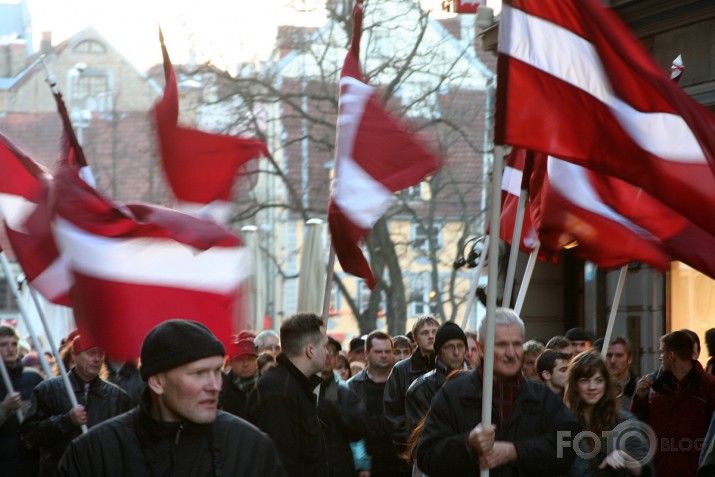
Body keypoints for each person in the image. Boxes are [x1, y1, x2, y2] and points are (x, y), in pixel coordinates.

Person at [57, 319, 283, 476]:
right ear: (157, 382)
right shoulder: (95, 454)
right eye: (198, 374)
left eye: (216, 371)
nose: (215, 385)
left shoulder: (251, 448)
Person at [415, 308, 582, 476]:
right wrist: (466, 444)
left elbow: (571, 445)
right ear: (481, 349)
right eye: (502, 344)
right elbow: (427, 457)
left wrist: (516, 451)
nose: (511, 353)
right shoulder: (453, 395)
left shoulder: (542, 397)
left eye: (517, 344)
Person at [22, 335, 132, 477]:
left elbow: (128, 443)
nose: (97, 359)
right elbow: (30, 435)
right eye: (91, 353)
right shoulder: (48, 391)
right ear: (74, 356)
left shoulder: (118, 398)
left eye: (101, 353)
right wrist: (66, 421)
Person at [247, 312, 329, 477]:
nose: (328, 352)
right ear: (310, 351)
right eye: (324, 345)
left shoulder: (295, 386)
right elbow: (281, 466)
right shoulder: (279, 391)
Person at [633, 330, 715, 477]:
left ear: (671, 356)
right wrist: (640, 399)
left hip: (694, 470)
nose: (660, 358)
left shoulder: (709, 386)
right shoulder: (658, 384)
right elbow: (642, 424)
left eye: (662, 353)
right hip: (661, 470)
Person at [564, 351, 653, 477]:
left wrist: (625, 458)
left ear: (606, 384)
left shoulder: (624, 422)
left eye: (599, 380)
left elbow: (647, 472)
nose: (592, 387)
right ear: (575, 385)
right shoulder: (563, 423)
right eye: (584, 381)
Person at [384, 315, 439, 470]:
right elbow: (392, 412)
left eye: (435, 331)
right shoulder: (400, 370)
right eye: (425, 332)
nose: (431, 336)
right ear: (415, 338)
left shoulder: (448, 367)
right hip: (412, 452)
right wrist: (410, 446)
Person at [347, 330, 399, 477]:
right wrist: (359, 465)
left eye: (387, 351)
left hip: (398, 464)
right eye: (378, 351)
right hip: (366, 466)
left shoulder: (403, 384)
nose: (383, 355)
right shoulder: (352, 387)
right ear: (366, 353)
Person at [405, 322, 468, 435]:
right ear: (438, 351)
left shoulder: (479, 383)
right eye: (449, 347)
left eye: (460, 346)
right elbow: (419, 438)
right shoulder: (420, 390)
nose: (456, 352)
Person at [320, 336, 367, 477]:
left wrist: (338, 412)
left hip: (339, 466)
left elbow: (358, 433)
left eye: (333, 352)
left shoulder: (344, 391)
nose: (328, 356)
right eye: (324, 351)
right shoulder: (301, 388)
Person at [0, 325, 44, 477]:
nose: (10, 349)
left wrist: (36, 435)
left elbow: (46, 415)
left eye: (14, 343)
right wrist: (4, 408)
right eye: (4, 344)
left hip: (28, 462)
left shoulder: (33, 378)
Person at [221, 338, 259, 420]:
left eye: (250, 359)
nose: (245, 364)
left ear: (256, 361)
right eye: (240, 360)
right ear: (231, 362)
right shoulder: (221, 385)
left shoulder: (265, 383)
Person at [606, 337, 638, 410]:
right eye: (609, 355)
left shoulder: (639, 390)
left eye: (618, 355)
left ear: (629, 359)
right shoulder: (599, 388)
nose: (612, 361)